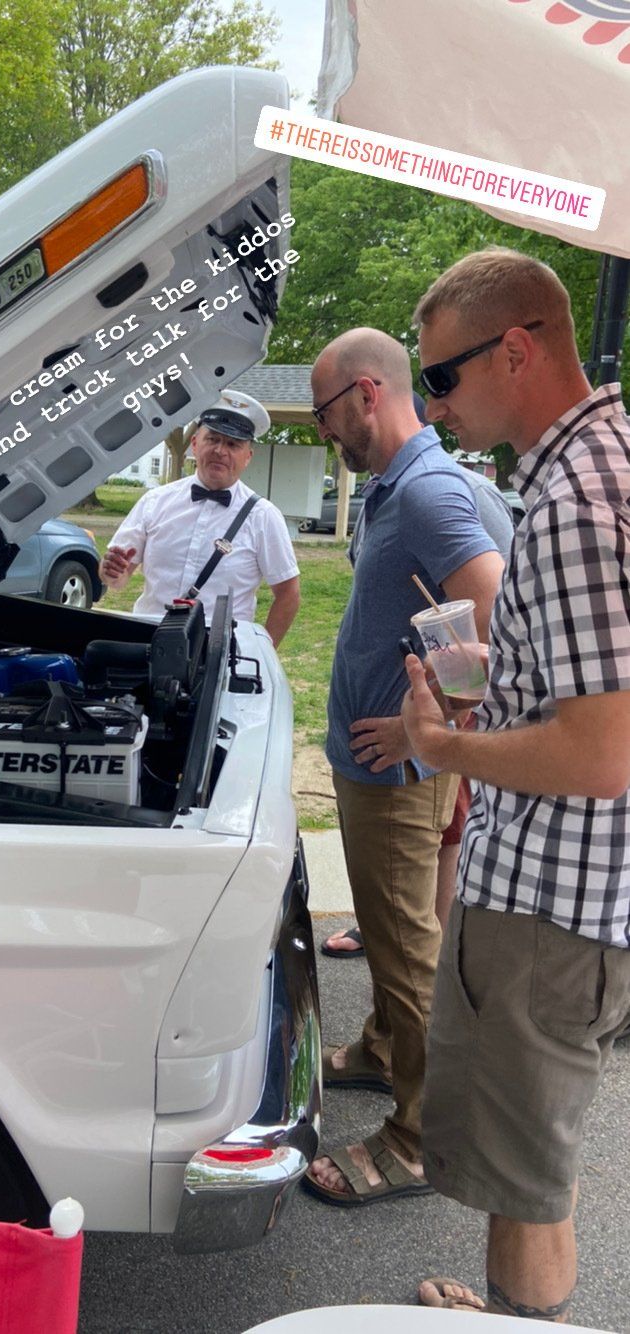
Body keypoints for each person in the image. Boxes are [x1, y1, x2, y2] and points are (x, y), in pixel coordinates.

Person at [400, 247, 630, 1320]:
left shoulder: (576, 502)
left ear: (519, 350)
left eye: (440, 375)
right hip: (578, 899)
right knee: (529, 1154)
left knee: (527, 1178)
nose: (434, 402)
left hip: (550, 903)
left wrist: (448, 751)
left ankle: (521, 1320)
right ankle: (507, 1314)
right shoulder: (610, 461)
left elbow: (598, 752)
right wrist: (509, 681)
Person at [304, 328, 505, 1207]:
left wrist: (438, 723)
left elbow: (497, 607)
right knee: (390, 932)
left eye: (322, 413)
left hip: (397, 773)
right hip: (380, 765)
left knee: (404, 943)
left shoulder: (426, 492)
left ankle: (421, 1137)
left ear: (365, 394)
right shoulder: (403, 487)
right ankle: (386, 1052)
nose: (322, 433)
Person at [323, 435, 515, 958]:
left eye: (326, 416)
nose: (323, 432)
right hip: (404, 737)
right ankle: (410, 940)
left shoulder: (451, 494)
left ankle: (433, 957)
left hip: (439, 735)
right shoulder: (383, 492)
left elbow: (493, 627)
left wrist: (424, 731)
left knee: (440, 851)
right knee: (411, 890)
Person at [99, 390, 300, 646]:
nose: (220, 450)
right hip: (149, 640)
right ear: (195, 444)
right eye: (212, 439)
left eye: (232, 444)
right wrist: (110, 571)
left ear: (247, 457)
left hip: (220, 651)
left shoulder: (264, 517)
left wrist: (261, 651)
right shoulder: (155, 501)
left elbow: (288, 595)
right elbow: (117, 578)